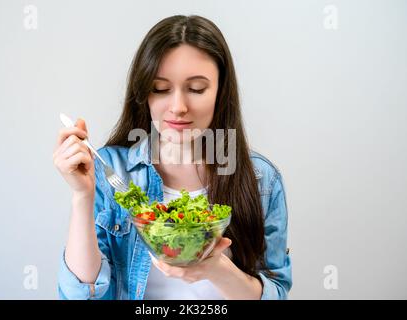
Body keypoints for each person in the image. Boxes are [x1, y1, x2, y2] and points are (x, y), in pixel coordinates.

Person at [53, 15, 292, 300]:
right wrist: (82, 196)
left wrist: (216, 268)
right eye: (161, 89)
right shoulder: (109, 171)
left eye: (196, 89)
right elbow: (82, 296)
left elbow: (276, 292)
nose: (178, 107)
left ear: (220, 91)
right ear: (144, 94)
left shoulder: (261, 179)